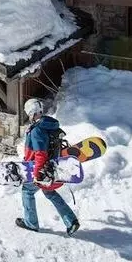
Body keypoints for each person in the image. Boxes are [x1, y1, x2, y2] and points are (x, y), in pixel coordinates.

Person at [15, 97, 80, 236]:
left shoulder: (37, 130)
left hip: (42, 169)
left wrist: (37, 173)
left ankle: (31, 223)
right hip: (52, 168)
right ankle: (71, 221)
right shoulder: (50, 125)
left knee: (27, 190)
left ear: (31, 113)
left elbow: (40, 154)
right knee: (49, 192)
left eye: (29, 114)